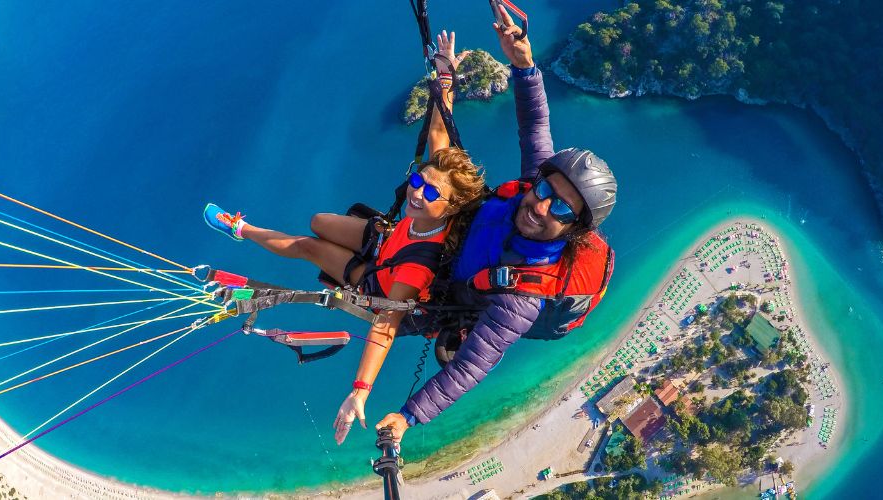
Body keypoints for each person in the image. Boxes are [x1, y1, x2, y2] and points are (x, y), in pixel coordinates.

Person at [203, 31, 485, 445]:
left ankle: (241, 229)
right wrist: (445, 77)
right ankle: (251, 230)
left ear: (451, 207)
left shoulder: (418, 267)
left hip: (379, 278)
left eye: (429, 192)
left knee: (309, 247)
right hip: (390, 240)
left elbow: (385, 327)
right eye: (416, 180)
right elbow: (440, 132)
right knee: (318, 220)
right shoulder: (429, 204)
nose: (416, 191)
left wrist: (360, 391)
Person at [374, 6, 618, 446]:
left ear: (576, 231)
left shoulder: (523, 298)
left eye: (561, 211)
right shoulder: (534, 185)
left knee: (371, 300)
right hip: (462, 249)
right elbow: (535, 126)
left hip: (453, 295)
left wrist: (408, 417)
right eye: (544, 191)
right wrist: (523, 64)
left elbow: (471, 367)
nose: (541, 207)